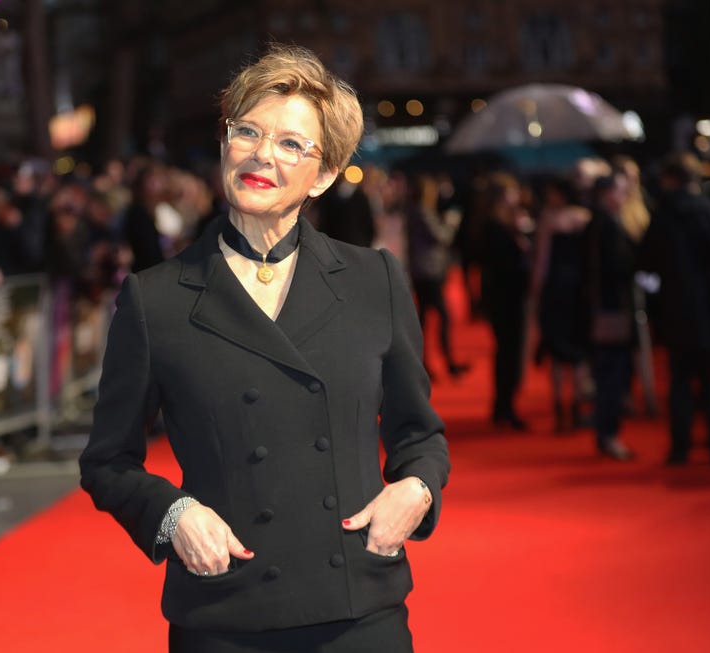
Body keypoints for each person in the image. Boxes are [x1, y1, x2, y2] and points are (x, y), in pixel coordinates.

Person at [79, 44, 449, 653]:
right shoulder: (156, 299)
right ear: (225, 143)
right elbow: (107, 462)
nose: (261, 154)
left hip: (359, 608)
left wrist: (417, 490)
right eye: (247, 131)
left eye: (289, 144)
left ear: (325, 174)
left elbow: (421, 434)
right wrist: (173, 516)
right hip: (227, 611)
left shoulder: (373, 280)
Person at [641, 152, 710, 465]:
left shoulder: (663, 216)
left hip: (675, 310)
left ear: (671, 179)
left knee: (680, 381)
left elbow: (646, 262)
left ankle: (680, 448)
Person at [530, 176, 592, 433]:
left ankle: (565, 407)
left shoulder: (550, 220)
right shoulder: (585, 217)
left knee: (561, 352)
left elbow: (543, 259)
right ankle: (572, 407)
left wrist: (537, 290)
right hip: (577, 290)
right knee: (571, 352)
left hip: (558, 291)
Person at [583, 172, 637, 461]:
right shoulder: (604, 224)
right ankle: (608, 433)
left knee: (611, 373)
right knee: (611, 374)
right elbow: (615, 266)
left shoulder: (604, 222)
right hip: (609, 309)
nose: (626, 194)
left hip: (608, 307)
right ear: (606, 194)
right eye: (620, 190)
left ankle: (607, 432)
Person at [479, 172, 532, 431]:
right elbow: (505, 266)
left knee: (509, 353)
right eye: (511, 192)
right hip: (505, 299)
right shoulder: (494, 228)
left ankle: (505, 405)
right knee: (508, 353)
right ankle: (504, 406)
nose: (516, 197)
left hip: (508, 297)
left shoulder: (504, 225)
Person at [406, 173, 470, 380]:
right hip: (428, 272)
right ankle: (445, 362)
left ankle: (425, 365)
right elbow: (443, 237)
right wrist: (452, 222)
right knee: (442, 316)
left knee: (424, 319)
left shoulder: (415, 212)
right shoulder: (423, 212)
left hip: (423, 270)